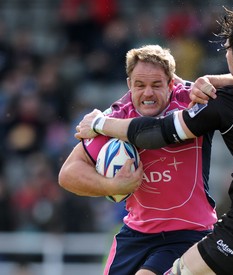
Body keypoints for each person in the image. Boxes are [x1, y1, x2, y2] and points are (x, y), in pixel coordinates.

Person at [75, 2, 233, 274]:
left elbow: (156, 134)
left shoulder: (228, 102)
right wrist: (211, 78)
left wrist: (101, 123)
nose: (227, 59)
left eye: (228, 52)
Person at [59, 45, 222, 275]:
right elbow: (68, 174)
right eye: (140, 85)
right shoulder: (117, 115)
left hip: (189, 234)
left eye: (156, 85)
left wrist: (210, 81)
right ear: (129, 85)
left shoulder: (192, 100)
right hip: (135, 234)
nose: (147, 93)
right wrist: (113, 186)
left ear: (171, 84)